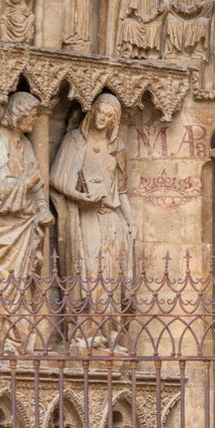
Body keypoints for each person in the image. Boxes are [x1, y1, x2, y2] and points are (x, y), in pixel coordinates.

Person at [51, 94, 138, 351]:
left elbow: (121, 191)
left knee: (111, 277)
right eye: (100, 112)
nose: (103, 119)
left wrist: (131, 222)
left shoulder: (117, 148)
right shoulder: (75, 141)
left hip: (112, 219)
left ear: (115, 120)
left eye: (109, 116)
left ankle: (110, 335)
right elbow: (56, 179)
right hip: (85, 216)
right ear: (92, 112)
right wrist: (80, 197)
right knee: (89, 272)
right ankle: (85, 335)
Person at [0, 92, 53, 353]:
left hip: (23, 225)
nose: (32, 122)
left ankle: (17, 341)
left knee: (20, 286)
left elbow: (38, 181)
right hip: (0, 228)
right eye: (29, 116)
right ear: (17, 115)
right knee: (1, 284)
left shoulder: (25, 145)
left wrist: (41, 207)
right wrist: (25, 184)